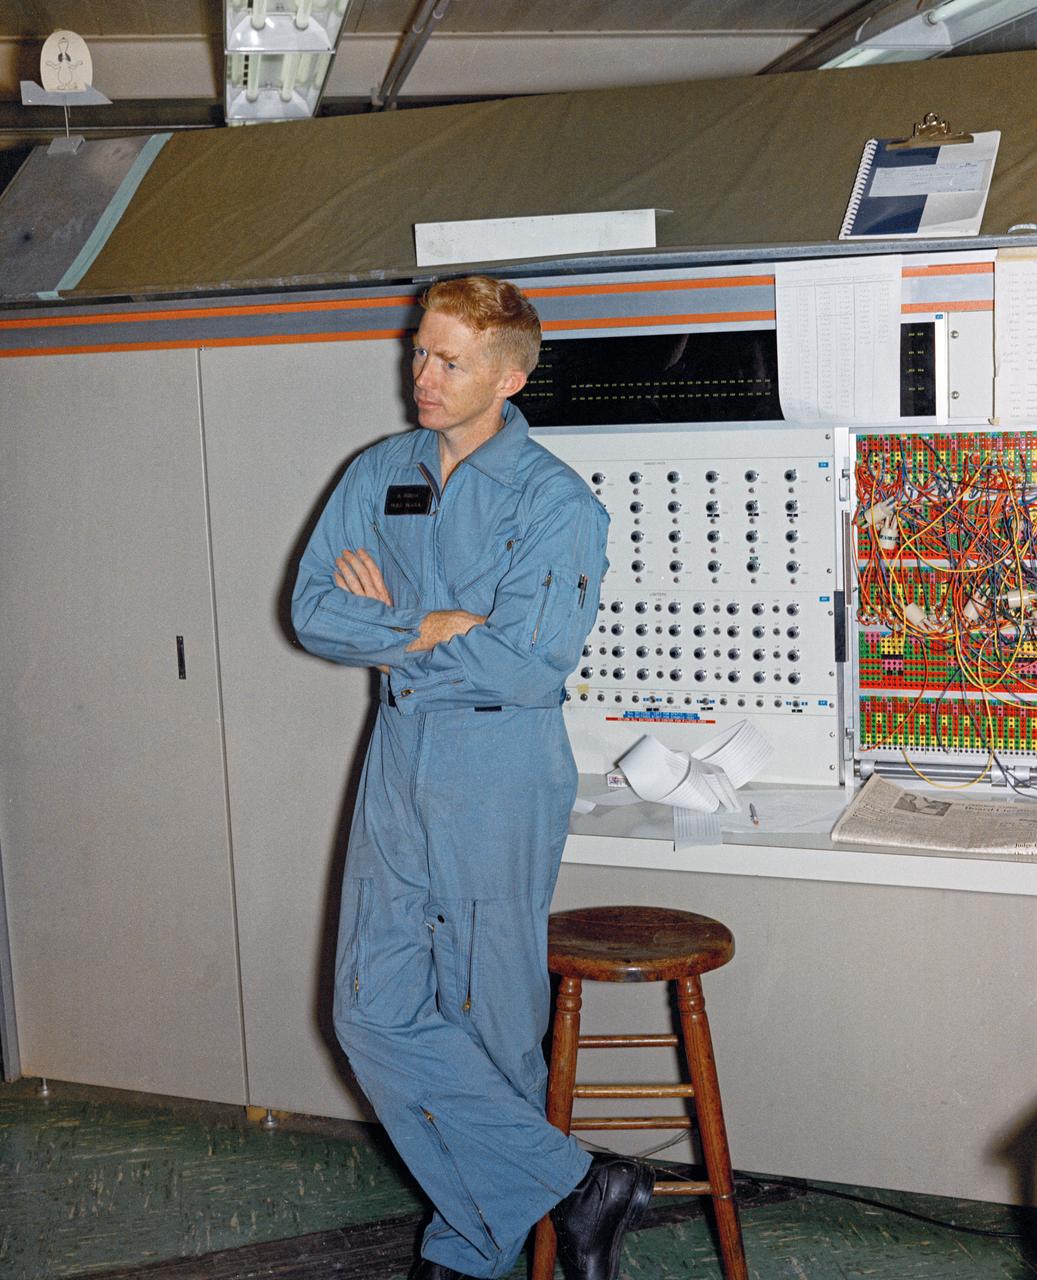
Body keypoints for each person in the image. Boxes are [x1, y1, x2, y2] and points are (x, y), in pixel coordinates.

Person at [291, 276, 655, 1280]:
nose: (423, 375)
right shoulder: (378, 473)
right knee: (369, 1006)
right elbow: (312, 607)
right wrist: (429, 624)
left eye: (448, 360)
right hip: (399, 749)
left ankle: (471, 1244)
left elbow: (523, 659)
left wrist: (391, 632)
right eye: (418, 350)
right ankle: (578, 1185)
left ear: (510, 375)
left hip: (497, 761)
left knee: (487, 1013)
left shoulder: (554, 503)